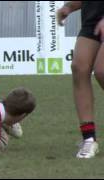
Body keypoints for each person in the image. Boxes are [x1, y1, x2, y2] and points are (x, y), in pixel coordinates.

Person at [57, 1, 104, 158]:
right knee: (79, 68)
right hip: (92, 19)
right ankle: (89, 139)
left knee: (102, 70)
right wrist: (69, 7)